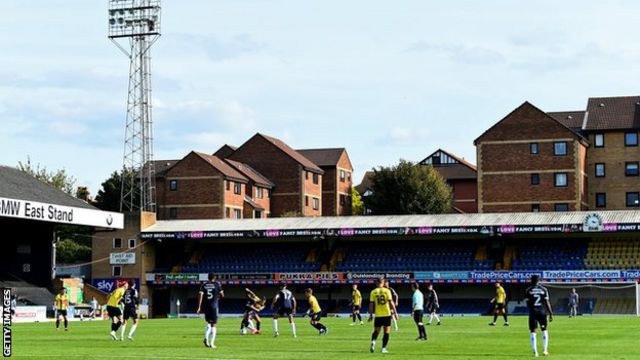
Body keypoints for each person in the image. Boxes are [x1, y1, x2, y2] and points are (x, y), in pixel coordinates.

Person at [526, 275, 553, 357]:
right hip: (542, 312)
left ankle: (535, 352)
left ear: (532, 281)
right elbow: (547, 302)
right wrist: (551, 313)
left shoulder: (528, 290)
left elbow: (528, 303)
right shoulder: (544, 289)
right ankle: (545, 350)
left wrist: (531, 310)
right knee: (544, 329)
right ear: (538, 281)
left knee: (533, 331)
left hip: (533, 312)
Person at [369, 277, 396, 354]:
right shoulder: (387, 291)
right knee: (386, 332)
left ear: (377, 283)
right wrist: (395, 312)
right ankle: (383, 348)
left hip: (378, 315)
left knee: (376, 331)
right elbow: (391, 302)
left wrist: (371, 315)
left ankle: (373, 341)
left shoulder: (373, 292)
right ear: (383, 283)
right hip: (387, 314)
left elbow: (371, 304)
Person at [196, 273, 224, 349]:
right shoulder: (217, 284)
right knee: (214, 324)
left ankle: (206, 338)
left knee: (208, 323)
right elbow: (222, 295)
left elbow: (200, 295)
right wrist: (217, 297)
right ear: (214, 277)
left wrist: (199, 307)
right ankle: (212, 344)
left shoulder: (203, 284)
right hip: (214, 306)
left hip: (206, 306)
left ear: (208, 277)